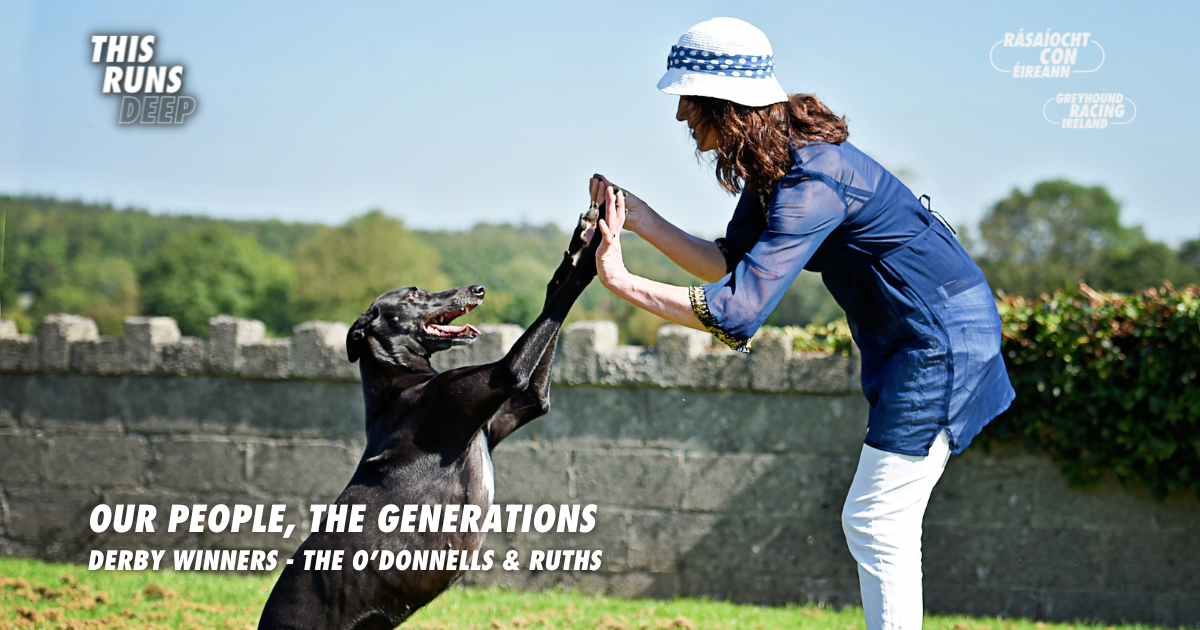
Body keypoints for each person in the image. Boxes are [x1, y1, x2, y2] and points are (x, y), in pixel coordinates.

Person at [588, 17, 1015, 630]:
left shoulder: (812, 177)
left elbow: (738, 311)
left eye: (688, 98)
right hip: (913, 338)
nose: (681, 113)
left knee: (876, 519)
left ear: (727, 104)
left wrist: (623, 283)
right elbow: (730, 266)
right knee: (879, 521)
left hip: (943, 342)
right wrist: (644, 221)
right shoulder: (776, 163)